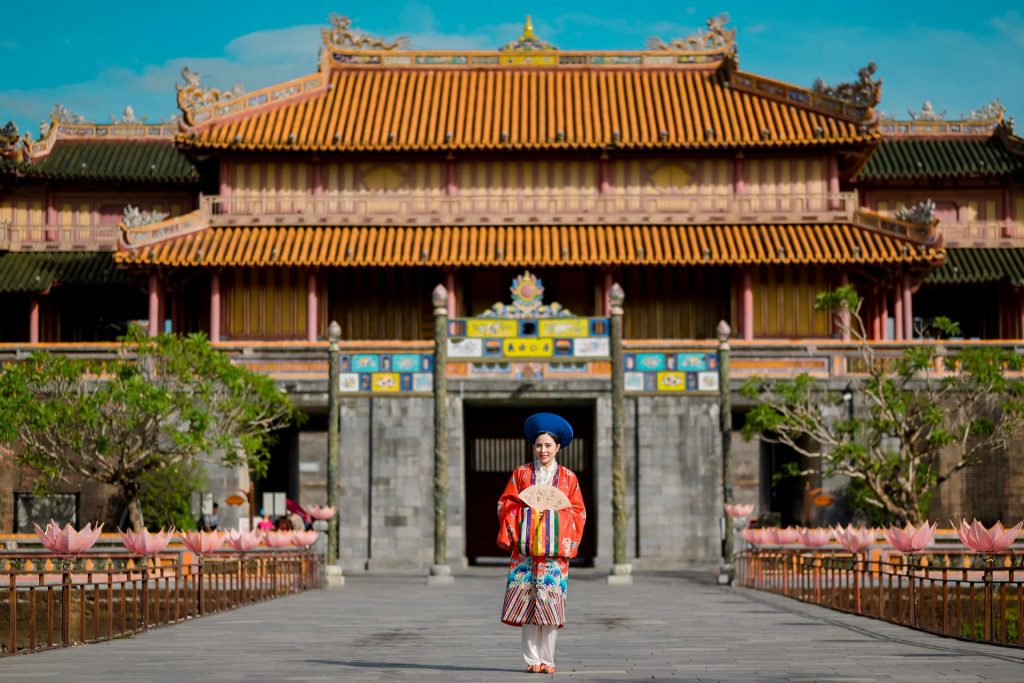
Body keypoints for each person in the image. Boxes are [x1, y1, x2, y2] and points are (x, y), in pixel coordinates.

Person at [497, 413, 586, 675]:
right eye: (539, 445)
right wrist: (526, 513)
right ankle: (531, 659)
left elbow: (579, 512)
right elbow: (505, 504)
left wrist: (554, 517)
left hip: (554, 555)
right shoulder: (521, 474)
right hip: (525, 553)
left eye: (548, 445)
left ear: (558, 447)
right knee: (527, 605)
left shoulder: (569, 479)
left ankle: (548, 659)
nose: (543, 450)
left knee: (550, 604)